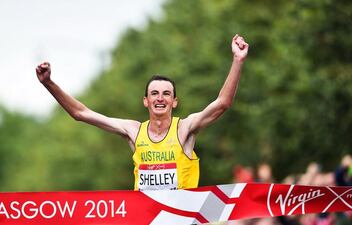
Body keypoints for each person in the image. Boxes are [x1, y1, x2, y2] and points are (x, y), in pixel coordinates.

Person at [36, 34, 249, 191]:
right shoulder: (134, 131)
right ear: (145, 101)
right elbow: (81, 113)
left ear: (174, 102)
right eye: (154, 93)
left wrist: (237, 61)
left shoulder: (185, 129)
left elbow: (222, 103)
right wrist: (49, 83)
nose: (160, 98)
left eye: (166, 94)